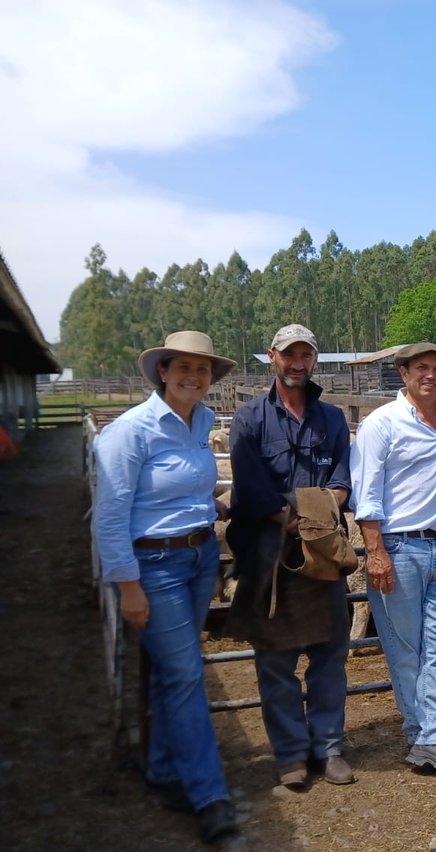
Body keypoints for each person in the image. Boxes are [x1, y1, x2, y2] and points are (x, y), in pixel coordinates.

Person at [91, 331, 240, 845]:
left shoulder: (201, 422)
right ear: (162, 371)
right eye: (183, 367)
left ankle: (160, 771)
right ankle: (210, 795)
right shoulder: (129, 433)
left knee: (170, 674)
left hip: (200, 558)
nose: (193, 376)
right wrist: (128, 587)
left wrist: (211, 506)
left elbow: (188, 485)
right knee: (185, 675)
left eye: (202, 369)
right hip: (153, 565)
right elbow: (109, 517)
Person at [226, 324, 354, 790]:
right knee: (275, 659)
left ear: (314, 360)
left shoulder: (333, 419)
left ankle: (329, 747)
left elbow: (343, 480)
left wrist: (315, 523)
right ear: (272, 357)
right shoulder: (249, 419)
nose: (297, 364)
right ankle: (290, 753)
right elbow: (253, 487)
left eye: (306, 355)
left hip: (323, 553)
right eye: (289, 355)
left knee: (330, 654)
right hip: (269, 552)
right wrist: (296, 520)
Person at [349, 342, 436, 781]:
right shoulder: (380, 424)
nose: (431, 375)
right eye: (421, 367)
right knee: (406, 648)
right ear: (403, 373)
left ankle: (435, 736)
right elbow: (365, 496)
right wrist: (376, 553)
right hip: (398, 548)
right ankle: (423, 733)